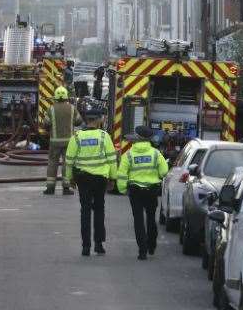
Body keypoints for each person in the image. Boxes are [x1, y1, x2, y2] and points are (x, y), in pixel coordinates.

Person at [64, 109, 117, 256]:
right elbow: (112, 159)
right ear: (99, 120)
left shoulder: (77, 137)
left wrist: (70, 179)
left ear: (86, 120)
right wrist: (113, 178)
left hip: (83, 178)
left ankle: (85, 246)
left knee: (85, 211)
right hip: (100, 179)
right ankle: (99, 244)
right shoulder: (103, 136)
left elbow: (69, 160)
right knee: (99, 210)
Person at [118, 126, 169, 260]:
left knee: (138, 220)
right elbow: (164, 172)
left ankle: (142, 250)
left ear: (138, 137)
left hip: (135, 190)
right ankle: (151, 245)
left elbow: (122, 174)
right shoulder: (156, 154)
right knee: (151, 218)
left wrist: (122, 189)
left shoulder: (128, 154)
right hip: (152, 190)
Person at [43, 86, 83, 195]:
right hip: (69, 142)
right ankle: (66, 187)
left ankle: (50, 188)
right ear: (66, 97)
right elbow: (79, 121)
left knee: (52, 163)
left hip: (54, 142)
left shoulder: (51, 109)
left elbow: (46, 123)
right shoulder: (72, 108)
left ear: (56, 97)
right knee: (67, 164)